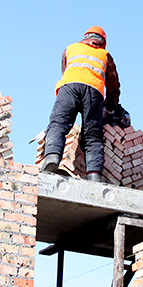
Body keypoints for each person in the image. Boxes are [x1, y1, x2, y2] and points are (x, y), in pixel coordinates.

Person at [41, 26, 121, 182]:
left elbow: (65, 70)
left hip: (69, 87)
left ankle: (52, 157)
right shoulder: (105, 55)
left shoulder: (70, 48)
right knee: (93, 136)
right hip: (94, 93)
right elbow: (113, 86)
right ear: (103, 42)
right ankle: (94, 175)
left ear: (86, 37)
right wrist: (110, 107)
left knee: (59, 124)